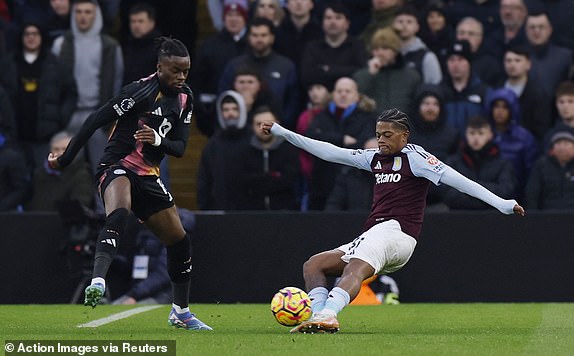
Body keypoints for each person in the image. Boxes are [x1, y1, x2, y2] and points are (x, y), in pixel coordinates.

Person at [258, 107, 525, 333]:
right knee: (314, 265)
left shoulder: (417, 159)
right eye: (378, 135)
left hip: (398, 234)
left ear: (404, 136)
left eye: (387, 135)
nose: (381, 140)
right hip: (376, 233)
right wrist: (282, 132)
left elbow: (461, 182)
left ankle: (329, 313)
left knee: (355, 269)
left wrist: (502, 204)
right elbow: (329, 151)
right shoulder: (374, 158)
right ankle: (318, 317)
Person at [47, 37, 212, 331]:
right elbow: (95, 119)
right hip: (116, 166)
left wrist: (158, 139)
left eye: (185, 71)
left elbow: (180, 148)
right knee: (120, 209)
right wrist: (66, 158)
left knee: (179, 239)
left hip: (148, 175)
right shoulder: (138, 92)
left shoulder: (186, 97)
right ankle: (98, 279)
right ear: (159, 67)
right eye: (175, 71)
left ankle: (181, 312)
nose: (181, 77)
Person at [442, 116, 516, 210]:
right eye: (472, 133)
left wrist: (470, 188)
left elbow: (505, 191)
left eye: (481, 133)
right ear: (466, 134)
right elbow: (447, 193)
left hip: (493, 218)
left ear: (490, 135)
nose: (476, 138)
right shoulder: (453, 162)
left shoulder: (503, 163)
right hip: (459, 216)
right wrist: (484, 197)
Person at [26, 131, 93, 211]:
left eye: (65, 149)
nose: (60, 153)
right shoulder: (40, 174)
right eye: (56, 149)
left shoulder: (82, 175)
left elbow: (79, 206)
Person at [525, 129, 574, 210]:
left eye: (566, 143)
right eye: (558, 143)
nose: (562, 147)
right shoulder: (541, 165)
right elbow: (532, 193)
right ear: (552, 148)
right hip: (547, 216)